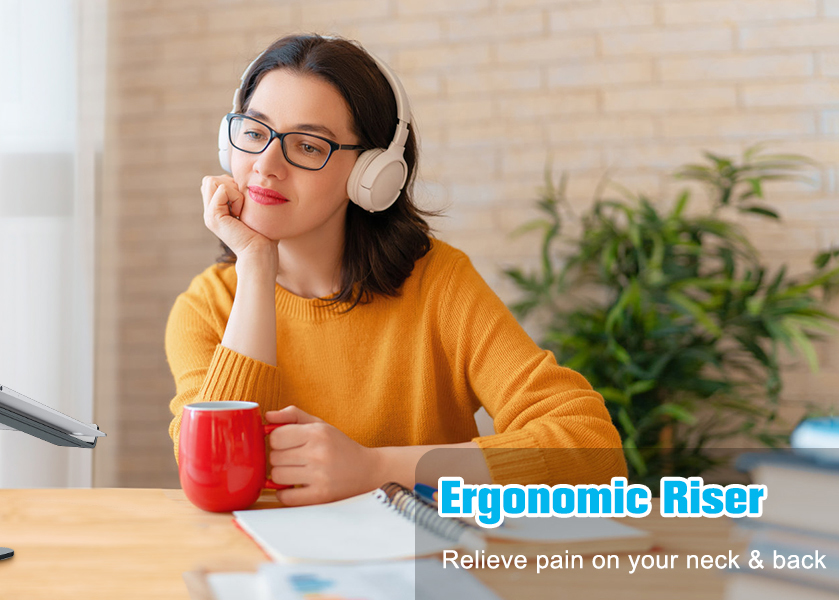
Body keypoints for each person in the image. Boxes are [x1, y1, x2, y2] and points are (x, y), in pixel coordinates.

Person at [165, 34, 625, 507]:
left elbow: (592, 448)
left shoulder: (439, 284)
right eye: (254, 132)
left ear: (372, 173)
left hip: (421, 550)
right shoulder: (205, 307)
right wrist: (256, 268)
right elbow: (212, 473)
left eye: (307, 146)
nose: (265, 165)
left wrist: (377, 468)